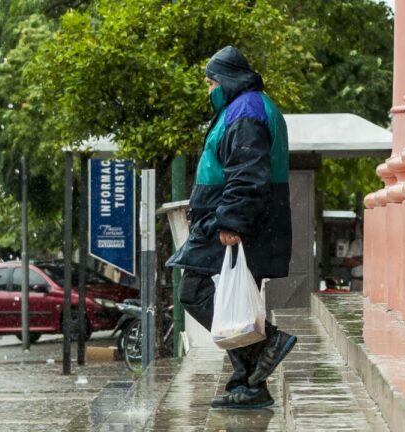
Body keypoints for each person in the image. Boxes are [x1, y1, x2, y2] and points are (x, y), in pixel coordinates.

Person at [166, 46, 297, 409]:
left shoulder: (245, 111)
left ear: (226, 80)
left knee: (194, 290)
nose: (209, 90)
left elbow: (247, 171)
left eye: (210, 83)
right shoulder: (251, 106)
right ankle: (249, 384)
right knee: (236, 307)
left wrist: (231, 221)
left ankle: (267, 343)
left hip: (233, 221)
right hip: (243, 219)